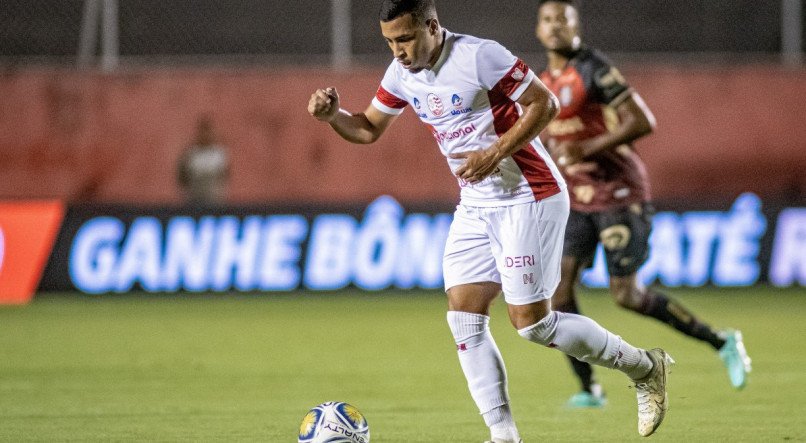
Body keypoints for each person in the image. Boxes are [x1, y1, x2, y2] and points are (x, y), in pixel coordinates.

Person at [308, 1, 674, 440]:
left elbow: (546, 104)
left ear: (431, 25)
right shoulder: (401, 74)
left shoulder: (480, 55)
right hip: (476, 203)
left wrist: (494, 152)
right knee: (463, 317)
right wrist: (333, 118)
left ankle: (644, 367)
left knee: (534, 325)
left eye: (404, 39)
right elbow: (367, 128)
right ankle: (504, 437)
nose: (398, 51)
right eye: (389, 42)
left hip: (529, 194)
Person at [534, 0, 751, 409]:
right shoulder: (545, 79)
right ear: (538, 30)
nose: (555, 27)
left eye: (563, 19)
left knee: (627, 295)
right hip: (578, 199)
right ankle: (588, 388)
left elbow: (642, 121)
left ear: (577, 27)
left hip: (619, 192)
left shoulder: (594, 69)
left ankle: (721, 341)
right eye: (547, 20)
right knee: (558, 294)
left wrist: (588, 148)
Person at [177, 116, 230, 206]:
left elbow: (225, 176)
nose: (205, 135)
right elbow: (182, 178)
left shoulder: (220, 155)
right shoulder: (190, 154)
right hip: (192, 202)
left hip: (215, 202)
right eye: (202, 132)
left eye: (208, 132)